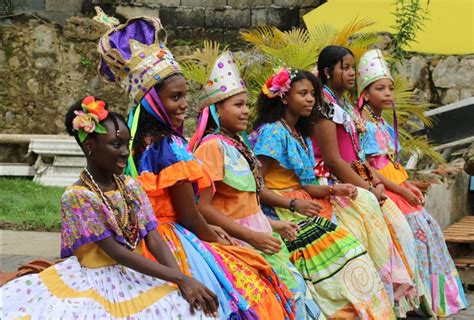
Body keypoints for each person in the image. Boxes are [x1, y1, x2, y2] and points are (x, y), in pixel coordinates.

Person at [97, 15, 295, 319]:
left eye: (185, 95)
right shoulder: (170, 147)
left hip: (147, 237)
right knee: (253, 290)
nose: (184, 104)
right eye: (175, 97)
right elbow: (188, 215)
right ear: (153, 102)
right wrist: (217, 239)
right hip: (174, 241)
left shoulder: (137, 143)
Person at [1, 96, 216, 319]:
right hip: (97, 280)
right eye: (116, 144)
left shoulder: (131, 187)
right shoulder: (78, 197)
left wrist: (179, 279)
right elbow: (117, 252)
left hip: (136, 275)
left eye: (127, 143)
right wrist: (180, 279)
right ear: (89, 145)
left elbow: (153, 237)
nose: (125, 151)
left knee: (184, 309)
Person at [249, 67, 395, 319]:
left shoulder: (300, 133)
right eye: (302, 93)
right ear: (284, 97)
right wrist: (293, 205)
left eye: (313, 94)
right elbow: (254, 187)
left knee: (353, 251)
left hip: (302, 204)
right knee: (344, 254)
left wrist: (334, 188)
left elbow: (306, 184)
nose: (310, 100)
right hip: (278, 210)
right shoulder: (273, 132)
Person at [190, 51, 320, 319]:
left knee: (295, 297)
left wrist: (273, 225)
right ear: (216, 110)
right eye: (238, 105)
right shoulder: (212, 147)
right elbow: (204, 207)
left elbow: (245, 204)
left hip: (259, 236)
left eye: (247, 105)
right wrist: (251, 236)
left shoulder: (237, 144)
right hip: (238, 242)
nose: (246, 111)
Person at [312, 45, 430, 317]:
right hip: (338, 182)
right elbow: (334, 160)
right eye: (345, 67)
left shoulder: (345, 107)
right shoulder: (324, 107)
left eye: (353, 67)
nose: (352, 73)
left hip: (362, 178)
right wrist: (367, 188)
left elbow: (358, 155)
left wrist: (374, 181)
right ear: (328, 72)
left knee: (399, 229)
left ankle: (395, 305)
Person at [357, 49, 468, 317]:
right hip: (387, 190)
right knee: (411, 236)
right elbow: (372, 168)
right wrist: (399, 189)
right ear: (365, 93)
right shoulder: (364, 125)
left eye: (390, 88)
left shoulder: (382, 123)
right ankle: (414, 302)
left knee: (428, 233)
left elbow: (392, 164)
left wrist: (408, 185)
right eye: (380, 88)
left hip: (400, 187)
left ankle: (433, 299)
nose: (387, 94)